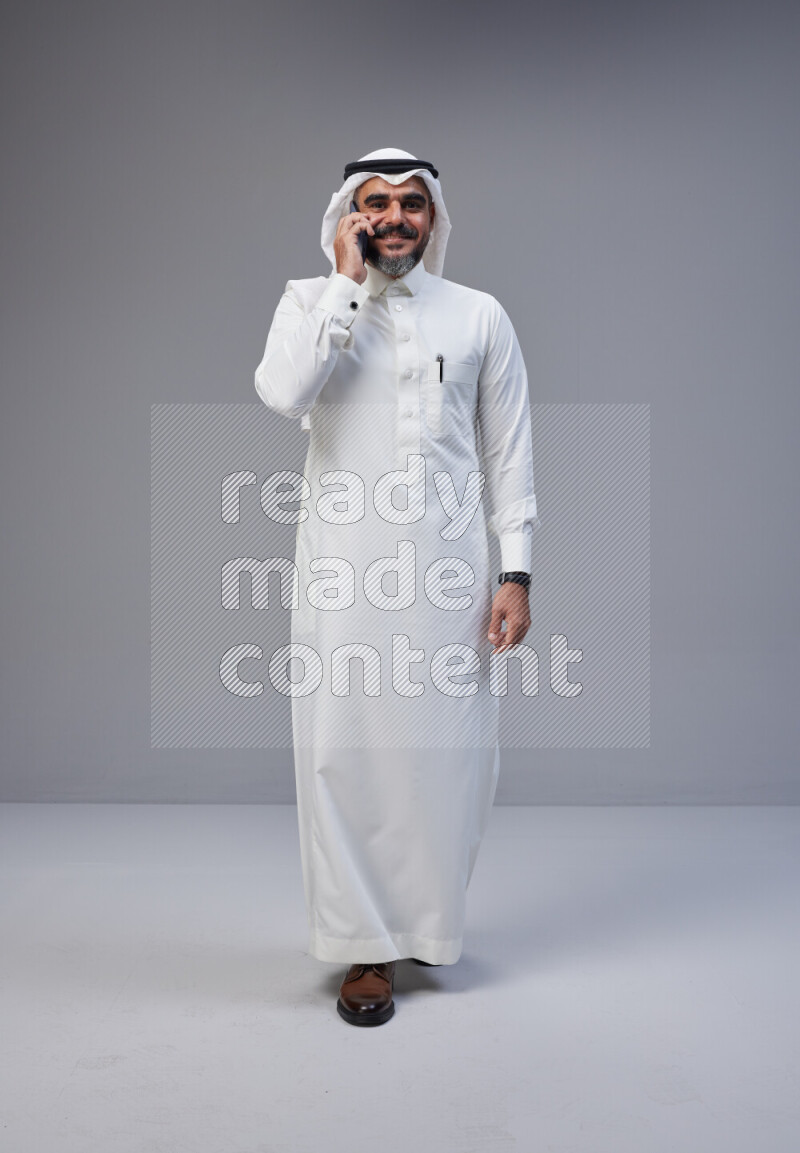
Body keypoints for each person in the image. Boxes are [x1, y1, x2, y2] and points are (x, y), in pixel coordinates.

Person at [254, 147, 540, 1026]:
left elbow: (510, 450)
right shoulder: (309, 303)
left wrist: (516, 570)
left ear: (435, 217)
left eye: (412, 203)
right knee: (344, 753)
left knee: (447, 760)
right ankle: (361, 950)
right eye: (374, 202)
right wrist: (343, 285)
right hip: (344, 570)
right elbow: (282, 390)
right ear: (348, 212)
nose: (394, 218)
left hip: (451, 576)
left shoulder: (479, 315)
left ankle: (421, 924)